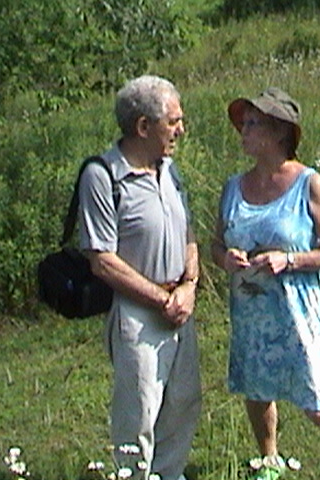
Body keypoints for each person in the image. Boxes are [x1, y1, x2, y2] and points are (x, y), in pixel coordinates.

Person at [211, 87, 320, 480]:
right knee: (257, 392)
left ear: (280, 133)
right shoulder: (233, 187)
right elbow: (216, 244)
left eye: (253, 124)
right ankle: (270, 459)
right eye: (243, 124)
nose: (243, 132)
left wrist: (288, 260)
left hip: (295, 316)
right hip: (251, 315)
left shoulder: (309, 184)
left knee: (318, 406)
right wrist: (225, 258)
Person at [78, 75, 201, 480]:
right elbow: (102, 260)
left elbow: (188, 232)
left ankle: (169, 474)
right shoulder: (102, 176)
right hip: (137, 315)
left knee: (183, 401)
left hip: (180, 307)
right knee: (140, 411)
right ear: (144, 126)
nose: (181, 130)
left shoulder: (170, 169)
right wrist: (162, 299)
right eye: (173, 122)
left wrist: (189, 286)